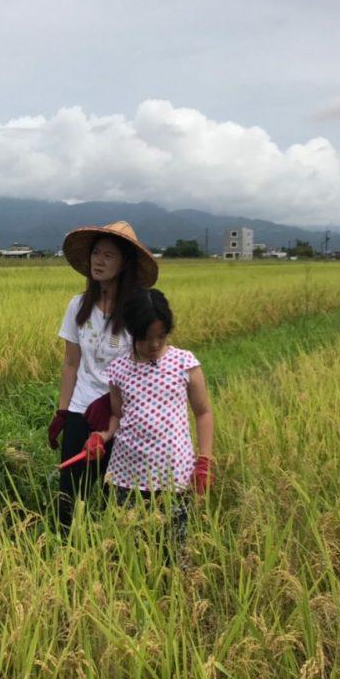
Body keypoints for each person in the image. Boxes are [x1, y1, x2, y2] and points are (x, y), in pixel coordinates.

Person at [49, 221, 158, 532]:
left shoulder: (138, 311)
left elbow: (147, 369)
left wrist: (116, 408)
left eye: (109, 256)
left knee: (120, 497)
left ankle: (115, 556)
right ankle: (66, 553)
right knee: (70, 495)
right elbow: (71, 364)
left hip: (123, 415)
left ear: (124, 264)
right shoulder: (77, 305)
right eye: (96, 253)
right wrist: (62, 411)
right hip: (82, 410)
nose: (99, 260)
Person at [96, 288, 214, 546]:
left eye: (161, 336)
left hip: (174, 474)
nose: (154, 345)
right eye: (146, 337)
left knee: (173, 546)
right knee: (130, 545)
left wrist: (204, 461)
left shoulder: (184, 363)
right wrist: (102, 436)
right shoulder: (118, 369)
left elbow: (203, 413)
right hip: (128, 473)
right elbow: (117, 415)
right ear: (132, 331)